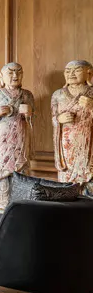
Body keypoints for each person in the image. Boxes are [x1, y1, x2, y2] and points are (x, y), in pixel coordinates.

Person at [0, 62, 35, 210]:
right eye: (11, 73)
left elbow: (32, 119)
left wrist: (29, 114)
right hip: (3, 139)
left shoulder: (27, 95)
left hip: (21, 136)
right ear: (1, 76)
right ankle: (3, 202)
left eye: (19, 73)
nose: (15, 76)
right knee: (2, 168)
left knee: (21, 166)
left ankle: (21, 202)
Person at [52, 60, 93, 194]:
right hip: (66, 145)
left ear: (89, 73)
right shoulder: (58, 95)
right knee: (67, 183)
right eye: (68, 71)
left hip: (88, 144)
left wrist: (91, 106)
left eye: (77, 70)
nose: (71, 74)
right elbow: (53, 117)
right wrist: (59, 119)